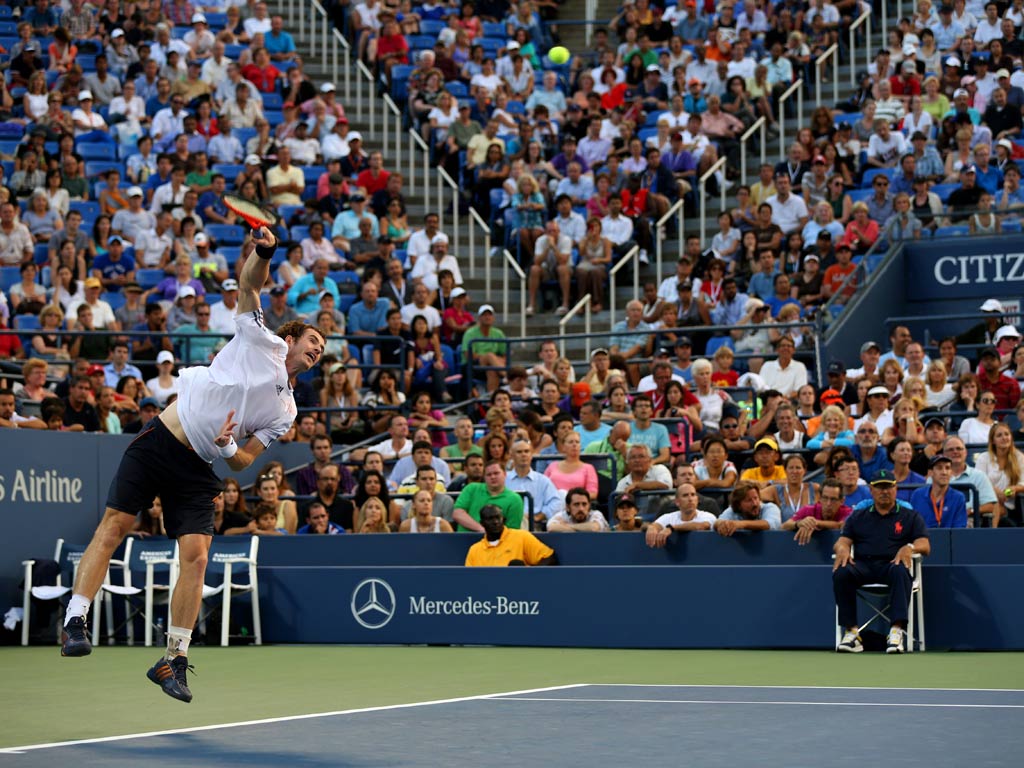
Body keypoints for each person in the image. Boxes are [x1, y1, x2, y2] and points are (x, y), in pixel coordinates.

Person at [59, 225, 325, 704]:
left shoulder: (287, 412)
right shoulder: (260, 339)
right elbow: (250, 285)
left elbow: (244, 462)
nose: (317, 349)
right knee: (115, 526)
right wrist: (263, 251)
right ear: (292, 337)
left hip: (199, 466)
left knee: (198, 556)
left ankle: (172, 659)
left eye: (323, 349)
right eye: (313, 339)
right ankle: (76, 618)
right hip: (161, 440)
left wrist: (226, 446)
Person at [834, 469, 931, 654]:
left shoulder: (910, 516)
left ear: (896, 489)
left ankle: (896, 631)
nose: (884, 491)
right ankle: (852, 632)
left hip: (891, 565)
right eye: (879, 487)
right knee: (842, 571)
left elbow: (925, 544)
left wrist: (910, 548)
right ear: (871, 490)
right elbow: (843, 541)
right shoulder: (858, 516)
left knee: (900, 570)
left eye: (888, 487)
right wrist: (842, 549)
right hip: (864, 566)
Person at [464, 504, 557, 566]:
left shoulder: (521, 537)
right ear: (482, 523)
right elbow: (469, 578)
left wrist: (531, 578)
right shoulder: (474, 550)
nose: (495, 522)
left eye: (498, 518)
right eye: (490, 519)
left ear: (503, 520)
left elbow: (549, 558)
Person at [453, 460, 525, 532]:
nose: (493, 477)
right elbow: (457, 513)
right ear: (484, 477)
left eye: (496, 473)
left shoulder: (515, 499)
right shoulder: (471, 488)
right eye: (489, 474)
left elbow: (512, 531)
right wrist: (481, 529)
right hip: (464, 540)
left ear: (505, 474)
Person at [782, 478, 851, 545]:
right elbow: (784, 526)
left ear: (842, 501)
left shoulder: (848, 512)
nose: (828, 503)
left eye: (833, 499)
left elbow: (840, 525)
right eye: (825, 498)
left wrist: (814, 523)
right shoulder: (809, 509)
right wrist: (799, 523)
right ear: (820, 498)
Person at [645, 483, 718, 546]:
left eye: (693, 495)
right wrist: (652, 528)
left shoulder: (708, 516)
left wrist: (672, 528)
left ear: (697, 499)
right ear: (677, 502)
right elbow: (655, 525)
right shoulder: (669, 517)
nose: (690, 499)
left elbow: (702, 526)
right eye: (685, 495)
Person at [910, 454, 968, 529]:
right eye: (939, 468)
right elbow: (912, 526)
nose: (944, 472)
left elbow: (960, 529)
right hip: (922, 539)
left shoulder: (958, 498)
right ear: (930, 472)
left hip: (950, 540)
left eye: (947, 468)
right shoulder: (917, 495)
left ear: (951, 473)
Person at [714, 482, 783, 535]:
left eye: (756, 498)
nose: (755, 503)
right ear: (738, 504)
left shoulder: (770, 507)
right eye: (749, 500)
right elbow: (716, 523)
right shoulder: (732, 510)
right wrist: (722, 525)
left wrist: (740, 524)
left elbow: (770, 524)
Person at [545, 487, 611, 532]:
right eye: (576, 504)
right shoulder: (563, 515)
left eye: (584, 504)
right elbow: (551, 527)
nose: (581, 508)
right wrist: (583, 528)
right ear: (568, 507)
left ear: (589, 505)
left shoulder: (596, 514)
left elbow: (594, 528)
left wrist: (566, 526)